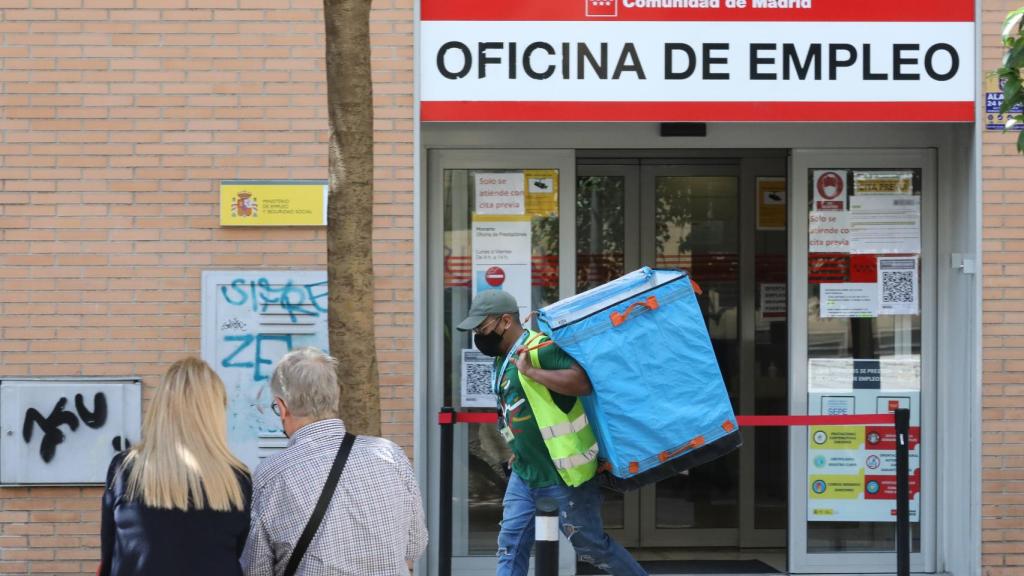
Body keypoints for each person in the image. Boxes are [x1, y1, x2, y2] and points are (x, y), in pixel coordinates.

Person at [457, 290, 648, 576]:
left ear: (505, 321)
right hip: (525, 471)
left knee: (592, 546)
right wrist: (518, 449)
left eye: (482, 328)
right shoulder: (502, 357)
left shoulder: (540, 349)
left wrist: (532, 372)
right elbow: (519, 408)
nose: (478, 335)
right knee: (511, 545)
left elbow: (581, 382)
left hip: (563, 474)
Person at [241, 347, 428, 576]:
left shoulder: (272, 473)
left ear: (282, 407)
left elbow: (256, 568)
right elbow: (415, 545)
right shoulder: (389, 455)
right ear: (336, 396)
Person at [99, 357, 252, 576]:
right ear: (214, 413)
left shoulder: (125, 469)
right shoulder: (237, 478)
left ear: (161, 408)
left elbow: (109, 555)